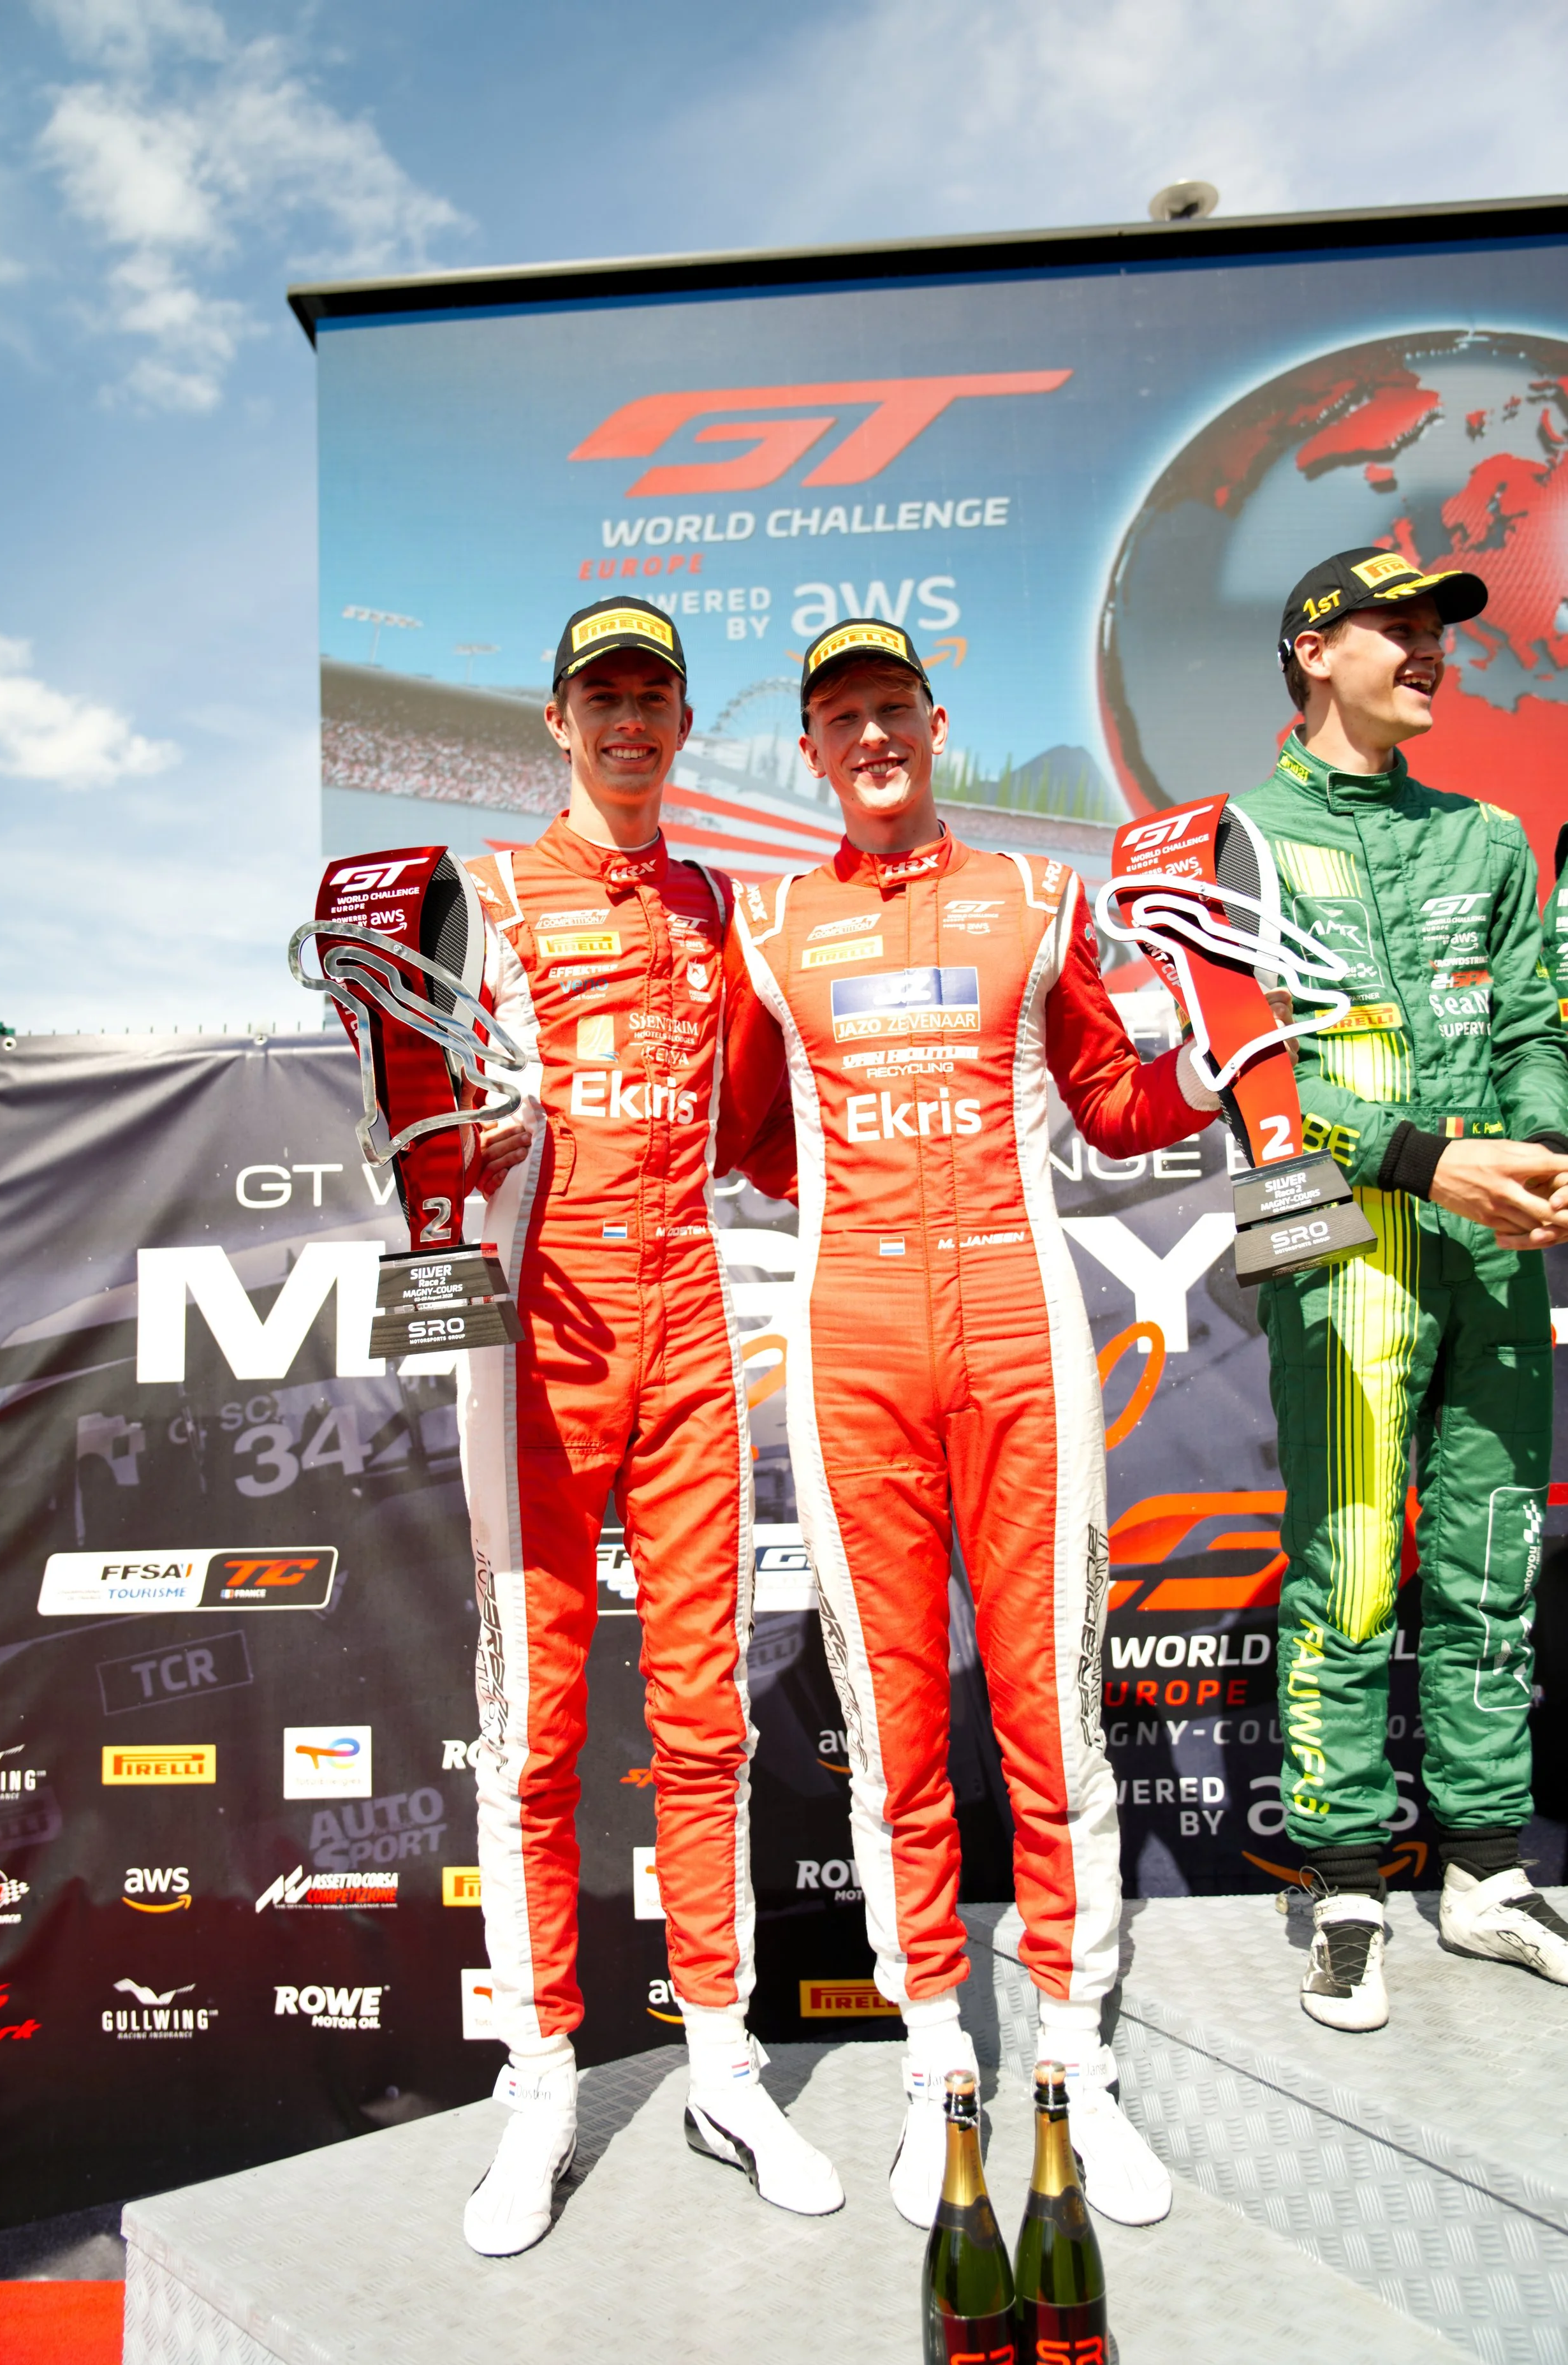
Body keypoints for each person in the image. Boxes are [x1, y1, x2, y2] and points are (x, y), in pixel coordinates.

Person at [721, 617, 1228, 2229]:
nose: (869, 737)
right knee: (890, 1739)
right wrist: (873, 1222)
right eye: (838, 720)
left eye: (890, 709)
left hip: (1022, 1338)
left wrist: (1212, 1057)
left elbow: (1115, 1105)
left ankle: (1075, 2071)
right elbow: (754, 1138)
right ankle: (934, 2058)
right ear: (809, 752)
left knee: (1054, 1726)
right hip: (853, 1346)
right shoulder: (768, 923)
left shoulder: (1034, 894)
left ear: (935, 725)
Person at [455, 599, 840, 2255]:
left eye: (652, 696)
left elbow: (762, 1138)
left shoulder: (721, 907)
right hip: (533, 1343)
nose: (627, 720)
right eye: (600, 695)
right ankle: (540, 2074)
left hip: (688, 1337)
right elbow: (412, 1117)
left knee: (705, 1722)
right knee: (535, 1726)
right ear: (557, 720)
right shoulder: (477, 891)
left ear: (684, 724)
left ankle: (716, 2057)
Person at [1235, 546, 1568, 2030]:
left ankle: (1486, 1874)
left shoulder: (1490, 836)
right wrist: (1420, 1153)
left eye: (1438, 629)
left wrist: (1538, 1147)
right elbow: (1248, 1082)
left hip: (1487, 1233)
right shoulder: (1227, 842)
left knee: (1492, 1556)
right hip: (1326, 1230)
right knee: (1349, 1563)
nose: (1430, 648)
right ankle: (1341, 1883)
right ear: (1313, 652)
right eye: (1397, 625)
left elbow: (1536, 1026)